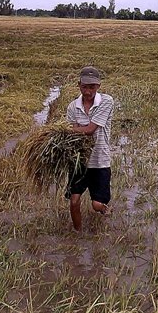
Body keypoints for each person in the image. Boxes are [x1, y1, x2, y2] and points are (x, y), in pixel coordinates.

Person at [66, 66, 114, 231]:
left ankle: (106, 210)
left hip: (99, 160)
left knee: (96, 205)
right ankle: (77, 234)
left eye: (92, 87)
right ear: (79, 85)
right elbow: (76, 136)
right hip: (80, 160)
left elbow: (90, 130)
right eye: (85, 86)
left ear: (98, 86)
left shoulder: (106, 101)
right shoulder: (73, 107)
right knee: (74, 201)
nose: (88, 91)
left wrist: (67, 130)